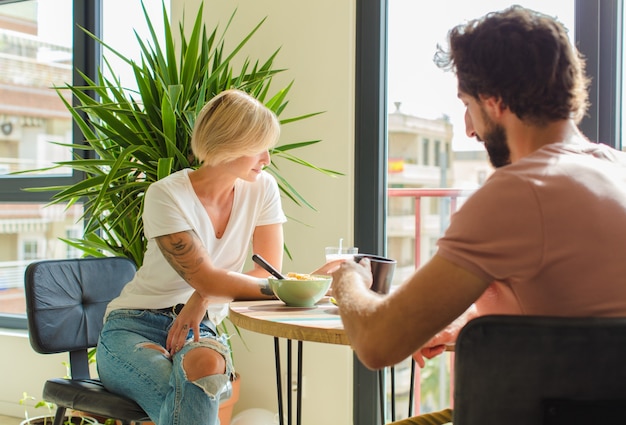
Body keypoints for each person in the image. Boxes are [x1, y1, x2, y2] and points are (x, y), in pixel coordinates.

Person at [330, 6, 626, 425]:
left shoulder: (521, 190)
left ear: (495, 100)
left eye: (467, 105)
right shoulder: (616, 169)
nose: (469, 128)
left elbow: (378, 344)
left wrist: (349, 278)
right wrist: (468, 322)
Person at [97, 89, 297, 424]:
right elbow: (205, 276)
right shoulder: (166, 195)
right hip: (133, 326)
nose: (267, 159)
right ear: (228, 144)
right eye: (258, 147)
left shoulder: (263, 188)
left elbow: (267, 271)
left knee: (204, 369)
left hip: (201, 329)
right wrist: (207, 290)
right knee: (188, 396)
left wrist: (202, 299)